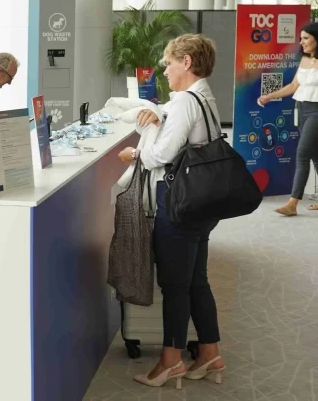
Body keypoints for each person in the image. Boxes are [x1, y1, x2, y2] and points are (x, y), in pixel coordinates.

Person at [118, 34, 225, 389]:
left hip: (178, 202)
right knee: (196, 279)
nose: (164, 70)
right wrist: (159, 114)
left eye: (168, 62)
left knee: (175, 285)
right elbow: (182, 125)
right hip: (203, 201)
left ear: (187, 62)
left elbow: (160, 155)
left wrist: (135, 153)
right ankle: (210, 353)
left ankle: (171, 361)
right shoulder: (203, 96)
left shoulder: (184, 103)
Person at [258, 22, 318, 216]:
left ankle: (292, 203)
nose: (301, 42)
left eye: (306, 38)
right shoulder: (305, 60)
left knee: (302, 153)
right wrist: (269, 96)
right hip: (301, 109)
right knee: (316, 156)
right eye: (301, 38)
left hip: (317, 111)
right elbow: (293, 86)